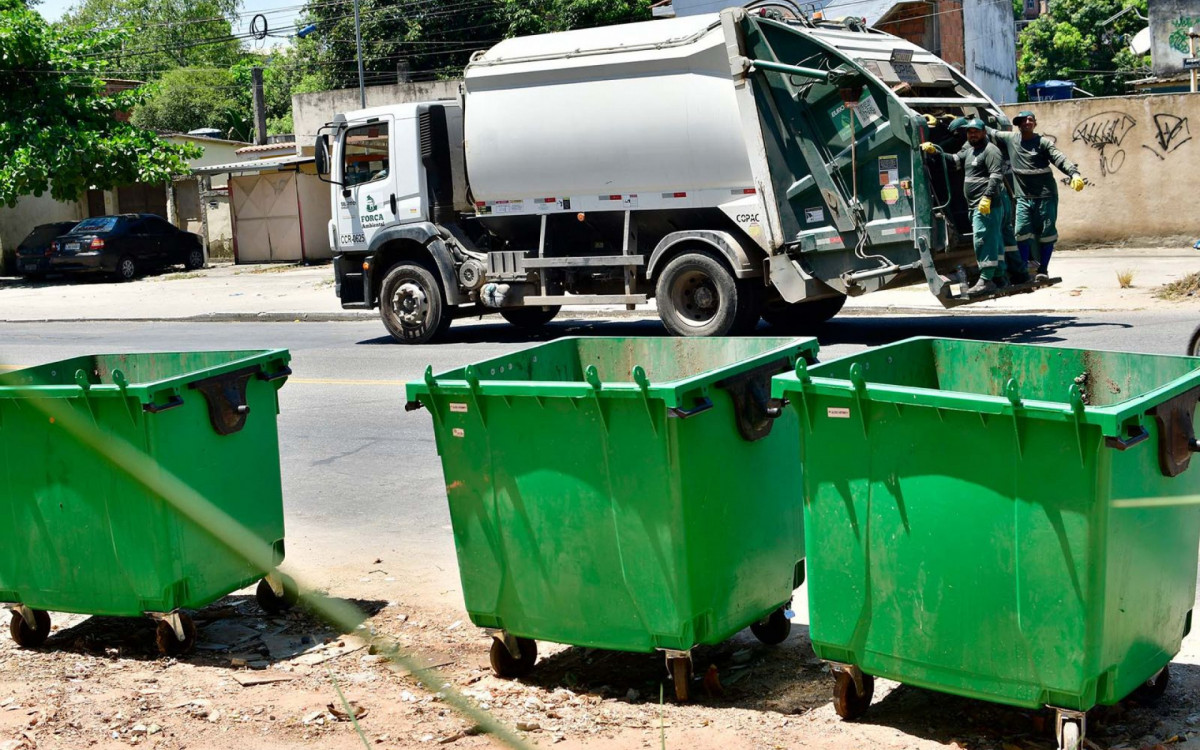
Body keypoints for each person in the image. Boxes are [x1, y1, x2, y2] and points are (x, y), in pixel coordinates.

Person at [986, 111, 1084, 281]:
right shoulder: (1010, 139)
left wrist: (1073, 174)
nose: (1027, 122)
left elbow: (1059, 158)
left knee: (1047, 233)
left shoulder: (1043, 143)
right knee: (1021, 232)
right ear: (1018, 124)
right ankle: (1023, 270)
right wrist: (967, 121)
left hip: (1046, 196)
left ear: (1035, 124)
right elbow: (989, 131)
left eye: (1030, 119)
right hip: (1023, 197)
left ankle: (1043, 270)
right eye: (1023, 120)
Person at [920, 118, 1005, 294]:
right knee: (991, 240)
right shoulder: (970, 150)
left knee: (983, 241)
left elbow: (996, 175)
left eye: (976, 131)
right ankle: (999, 276)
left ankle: (986, 280)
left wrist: (987, 197)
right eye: (969, 131)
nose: (972, 134)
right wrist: (935, 151)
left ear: (983, 132)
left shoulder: (990, 151)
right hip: (975, 205)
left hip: (986, 205)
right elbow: (954, 160)